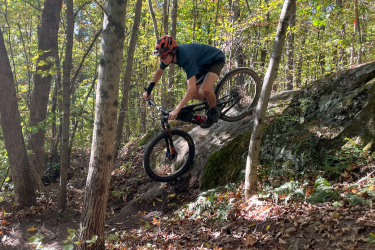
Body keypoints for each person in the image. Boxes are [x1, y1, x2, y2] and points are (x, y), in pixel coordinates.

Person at [143, 35, 226, 128]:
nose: (161, 59)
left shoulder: (185, 57)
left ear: (172, 52)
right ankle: (213, 102)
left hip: (215, 60)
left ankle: (214, 111)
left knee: (205, 90)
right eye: (160, 57)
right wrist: (149, 90)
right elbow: (159, 71)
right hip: (200, 64)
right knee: (194, 94)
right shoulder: (169, 57)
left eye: (163, 57)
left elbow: (191, 89)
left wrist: (176, 110)